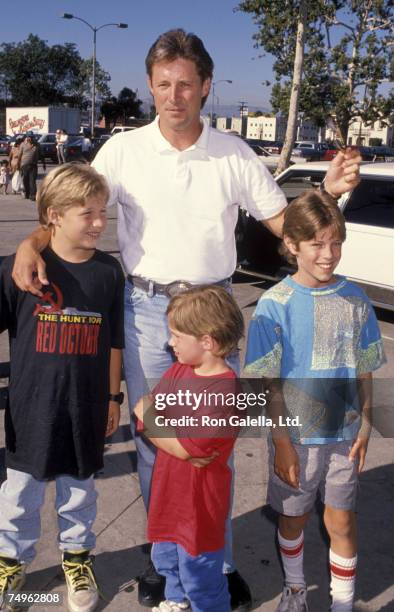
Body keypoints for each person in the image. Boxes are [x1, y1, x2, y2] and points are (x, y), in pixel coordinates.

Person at [11, 28, 362, 611]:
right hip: (150, 312)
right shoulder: (122, 150)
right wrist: (34, 242)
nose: (175, 96)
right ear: (151, 87)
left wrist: (329, 192)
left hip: (214, 317)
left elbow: (282, 223)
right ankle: (166, 559)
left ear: (205, 87)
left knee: (215, 445)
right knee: (158, 442)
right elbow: (75, 202)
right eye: (164, 85)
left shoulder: (233, 152)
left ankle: (215, 564)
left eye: (187, 85)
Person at [244, 190, 386, 612]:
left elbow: (365, 369)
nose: (329, 255)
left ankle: (342, 603)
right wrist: (283, 442)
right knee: (294, 518)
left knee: (342, 519)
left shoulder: (357, 299)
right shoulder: (274, 306)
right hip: (296, 440)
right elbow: (267, 385)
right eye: (317, 244)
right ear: (291, 245)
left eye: (336, 243)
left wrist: (364, 425)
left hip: (345, 437)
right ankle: (295, 588)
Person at [0, 163, 125, 612]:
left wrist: (113, 398)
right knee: (18, 495)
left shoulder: (109, 272)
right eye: (86, 213)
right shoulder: (20, 269)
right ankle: (11, 562)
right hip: (31, 407)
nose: (98, 223)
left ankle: (76, 558)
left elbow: (114, 342)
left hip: (86, 407)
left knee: (80, 492)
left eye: (102, 213)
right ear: (53, 215)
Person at [134, 285, 244, 612]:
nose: (170, 343)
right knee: (167, 560)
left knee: (202, 578)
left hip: (199, 508)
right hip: (170, 495)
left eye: (177, 336)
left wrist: (152, 417)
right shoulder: (182, 368)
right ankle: (176, 602)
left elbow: (184, 446)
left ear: (207, 341)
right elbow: (150, 410)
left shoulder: (225, 392)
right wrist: (153, 418)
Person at [18, 135, 45, 201]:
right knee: (25, 180)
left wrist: (44, 163)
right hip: (24, 165)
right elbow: (19, 155)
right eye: (28, 137)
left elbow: (41, 155)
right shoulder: (23, 144)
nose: (29, 138)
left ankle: (33, 195)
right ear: (26, 138)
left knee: (32, 181)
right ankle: (27, 193)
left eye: (31, 137)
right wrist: (18, 165)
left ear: (33, 138)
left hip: (33, 165)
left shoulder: (37, 145)